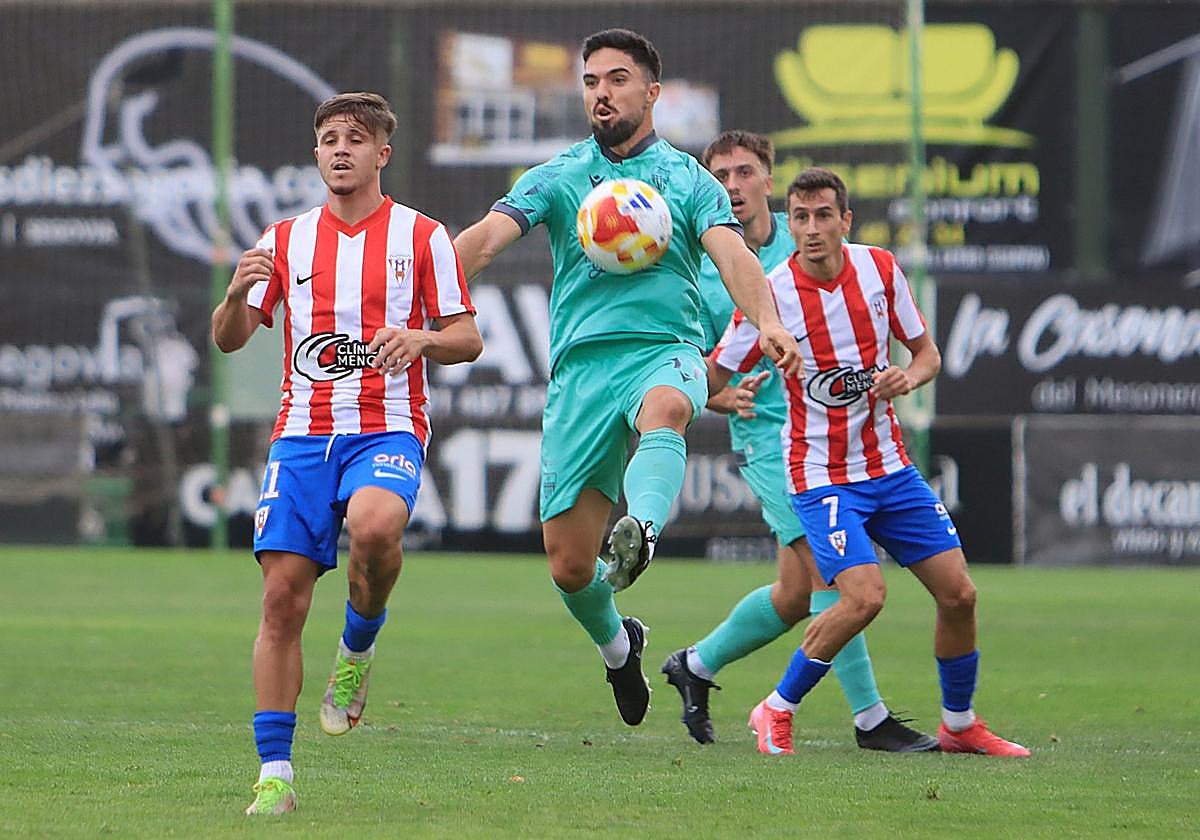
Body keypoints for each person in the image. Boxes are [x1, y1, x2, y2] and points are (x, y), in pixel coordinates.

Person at [453, 30, 800, 726]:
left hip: (663, 350)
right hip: (582, 370)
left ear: (652, 93)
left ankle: (640, 527)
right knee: (569, 567)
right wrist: (417, 294)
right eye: (590, 82)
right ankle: (621, 646)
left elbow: (732, 255)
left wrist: (764, 318)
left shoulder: (687, 180)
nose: (601, 93)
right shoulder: (557, 175)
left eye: (616, 79)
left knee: (668, 407)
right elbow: (486, 240)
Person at [212, 92, 483, 815]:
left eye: (355, 139)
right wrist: (236, 296)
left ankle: (358, 647)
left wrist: (423, 339)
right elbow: (230, 337)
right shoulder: (286, 240)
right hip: (301, 438)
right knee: (280, 600)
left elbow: (467, 336)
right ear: (316, 152)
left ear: (381, 154)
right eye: (328, 138)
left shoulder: (423, 237)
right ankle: (275, 775)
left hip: (387, 424)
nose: (340, 149)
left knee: (373, 527)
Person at [709, 166, 1029, 757]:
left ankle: (958, 726)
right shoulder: (772, 293)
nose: (810, 229)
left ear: (845, 221)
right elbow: (711, 375)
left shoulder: (880, 270)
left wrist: (907, 376)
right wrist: (719, 395)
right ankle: (775, 708)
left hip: (890, 467)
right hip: (821, 475)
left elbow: (927, 353)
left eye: (822, 216)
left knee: (959, 595)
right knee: (864, 596)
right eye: (799, 217)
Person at [661, 132, 937, 752]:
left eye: (744, 172)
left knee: (793, 594)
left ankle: (696, 665)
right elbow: (696, 357)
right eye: (721, 174)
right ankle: (871, 720)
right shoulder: (705, 259)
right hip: (769, 436)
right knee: (831, 579)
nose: (732, 185)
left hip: (844, 439)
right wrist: (708, 394)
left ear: (768, 179)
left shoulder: (808, 233)